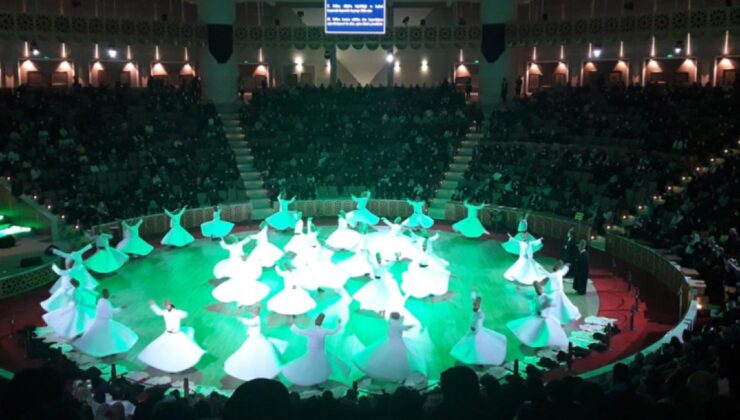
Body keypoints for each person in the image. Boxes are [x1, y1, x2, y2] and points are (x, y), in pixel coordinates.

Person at [353, 312, 426, 383]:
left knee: (384, 359)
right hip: (398, 344)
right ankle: (396, 377)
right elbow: (404, 328)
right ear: (398, 317)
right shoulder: (397, 324)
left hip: (389, 342)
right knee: (397, 361)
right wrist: (412, 326)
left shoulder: (390, 322)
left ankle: (385, 375)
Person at [138, 299, 205, 373]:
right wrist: (153, 305)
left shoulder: (177, 312)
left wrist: (175, 311)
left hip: (176, 334)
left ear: (170, 304)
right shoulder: (165, 312)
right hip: (168, 334)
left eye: (167, 304)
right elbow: (158, 312)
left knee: (180, 348)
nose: (166, 305)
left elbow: (184, 314)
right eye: (165, 304)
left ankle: (180, 361)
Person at [282, 313, 347, 386]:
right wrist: (339, 324)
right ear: (321, 323)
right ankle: (316, 382)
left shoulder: (311, 330)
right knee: (316, 368)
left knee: (309, 366)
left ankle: (313, 381)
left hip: (314, 352)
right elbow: (334, 332)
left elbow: (299, 331)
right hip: (319, 352)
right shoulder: (323, 331)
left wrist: (292, 324)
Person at [72, 289, 139, 357]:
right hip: (104, 322)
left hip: (98, 320)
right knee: (107, 336)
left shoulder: (100, 300)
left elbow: (103, 306)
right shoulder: (106, 303)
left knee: (95, 335)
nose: (108, 294)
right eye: (107, 293)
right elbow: (113, 311)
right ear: (106, 294)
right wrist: (121, 308)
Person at [224, 307, 284, 381]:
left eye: (253, 312)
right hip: (254, 338)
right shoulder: (257, 319)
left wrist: (241, 319)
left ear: (256, 312)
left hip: (256, 339)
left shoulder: (257, 319)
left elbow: (251, 323)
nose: (252, 313)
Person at [450, 291, 507, 366]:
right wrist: (473, 292)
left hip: (476, 331)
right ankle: (471, 356)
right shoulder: (475, 310)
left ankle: (479, 359)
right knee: (471, 344)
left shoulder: (480, 313)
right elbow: (473, 301)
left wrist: (474, 329)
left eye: (476, 305)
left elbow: (477, 320)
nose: (474, 306)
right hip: (472, 331)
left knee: (477, 345)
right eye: (474, 305)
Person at [506, 283, 569, 349]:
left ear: (542, 289)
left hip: (544, 318)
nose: (538, 290)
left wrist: (542, 312)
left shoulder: (547, 298)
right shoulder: (536, 296)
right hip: (538, 317)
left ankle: (544, 342)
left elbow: (551, 305)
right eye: (537, 289)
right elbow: (527, 296)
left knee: (544, 331)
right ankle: (537, 340)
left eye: (539, 289)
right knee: (536, 330)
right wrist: (520, 291)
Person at [352, 253, 406, 318]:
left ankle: (381, 314)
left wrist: (396, 258)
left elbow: (390, 264)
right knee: (375, 297)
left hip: (381, 284)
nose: (379, 260)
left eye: (379, 259)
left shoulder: (383, 267)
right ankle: (372, 312)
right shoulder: (376, 266)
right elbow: (370, 262)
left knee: (383, 299)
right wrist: (367, 254)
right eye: (378, 259)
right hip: (376, 283)